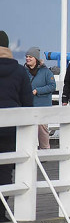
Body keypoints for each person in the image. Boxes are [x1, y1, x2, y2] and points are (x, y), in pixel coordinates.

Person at [0, 32, 32, 203]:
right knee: (5, 170)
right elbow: (28, 102)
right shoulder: (19, 71)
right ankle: (2, 211)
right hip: (10, 130)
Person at [25, 47, 56, 149]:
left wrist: (38, 91)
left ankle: (45, 151)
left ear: (36, 59)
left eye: (30, 57)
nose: (28, 59)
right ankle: (30, 151)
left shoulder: (46, 72)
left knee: (42, 129)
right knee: (27, 129)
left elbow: (52, 86)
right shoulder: (24, 71)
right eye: (27, 57)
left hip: (42, 105)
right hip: (28, 105)